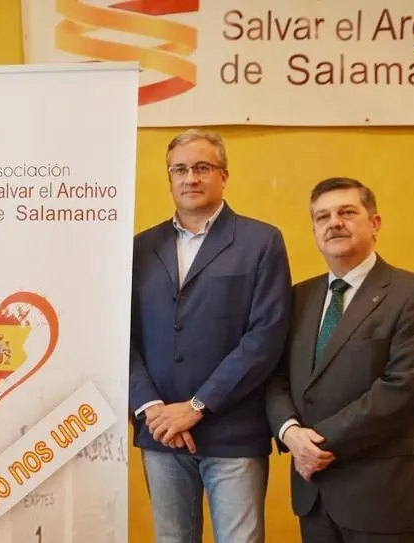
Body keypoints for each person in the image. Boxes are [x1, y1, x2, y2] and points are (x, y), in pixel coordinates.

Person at [129, 129, 292, 543]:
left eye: (202, 167)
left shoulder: (261, 242)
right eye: (180, 169)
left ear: (224, 176)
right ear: (169, 178)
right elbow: (123, 336)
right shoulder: (140, 247)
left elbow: (265, 337)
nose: (191, 178)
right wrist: (152, 409)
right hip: (161, 432)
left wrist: (197, 406)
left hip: (232, 432)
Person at [266, 177, 414, 543]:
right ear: (314, 230)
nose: (334, 223)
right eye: (322, 216)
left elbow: (401, 389)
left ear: (374, 223)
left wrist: (315, 444)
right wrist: (289, 433)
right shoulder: (298, 298)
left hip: (383, 496)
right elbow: (275, 376)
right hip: (315, 495)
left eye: (347, 212)